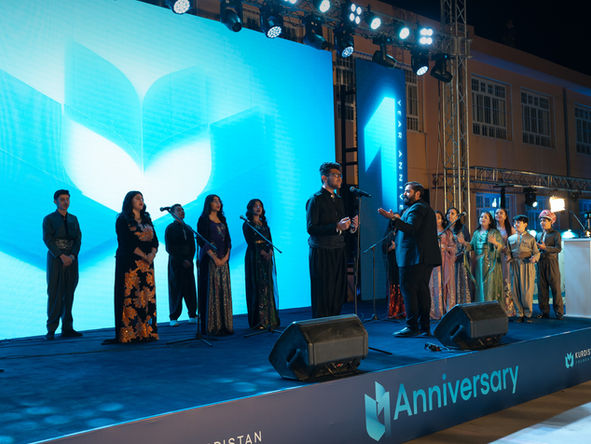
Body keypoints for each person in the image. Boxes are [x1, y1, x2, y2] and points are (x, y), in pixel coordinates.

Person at [378, 181, 441, 337]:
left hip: (414, 258)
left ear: (417, 194)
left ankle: (412, 327)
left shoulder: (417, 208)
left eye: (408, 191)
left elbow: (411, 228)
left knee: (410, 291)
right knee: (421, 291)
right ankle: (423, 327)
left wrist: (393, 219)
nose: (404, 194)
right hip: (420, 258)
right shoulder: (421, 208)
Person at [306, 162, 358, 318]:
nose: (339, 178)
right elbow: (311, 228)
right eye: (335, 175)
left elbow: (342, 226)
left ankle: (335, 321)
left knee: (337, 289)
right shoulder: (315, 199)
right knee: (323, 290)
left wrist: (352, 227)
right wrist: (336, 226)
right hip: (322, 250)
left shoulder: (339, 199)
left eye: (340, 175)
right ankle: (322, 324)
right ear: (324, 178)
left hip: (338, 249)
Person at [113, 191, 159, 343]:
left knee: (146, 296)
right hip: (129, 263)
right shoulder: (122, 220)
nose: (141, 200)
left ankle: (147, 331)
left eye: (142, 198)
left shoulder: (147, 218)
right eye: (137, 198)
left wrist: (152, 254)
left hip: (147, 265)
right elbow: (126, 242)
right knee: (131, 296)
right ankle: (131, 333)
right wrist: (144, 256)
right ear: (129, 201)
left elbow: (155, 240)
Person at [42, 189, 82, 340]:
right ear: (55, 201)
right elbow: (48, 239)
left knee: (69, 292)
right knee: (54, 293)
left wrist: (72, 256)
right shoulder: (49, 219)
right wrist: (61, 256)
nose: (66, 202)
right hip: (56, 259)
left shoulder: (74, 219)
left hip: (71, 258)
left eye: (67, 199)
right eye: (62, 199)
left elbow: (78, 239)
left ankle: (67, 328)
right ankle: (51, 329)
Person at [197, 194, 233, 336]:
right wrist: (214, 258)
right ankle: (213, 325)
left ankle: (225, 324)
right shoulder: (203, 220)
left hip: (223, 259)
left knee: (223, 291)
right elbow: (202, 241)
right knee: (212, 290)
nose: (218, 203)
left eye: (219, 201)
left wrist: (225, 258)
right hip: (210, 260)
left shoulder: (223, 219)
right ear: (208, 204)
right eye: (214, 201)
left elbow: (228, 240)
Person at [243, 199, 280, 330]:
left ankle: (270, 319)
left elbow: (269, 240)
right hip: (255, 258)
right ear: (250, 209)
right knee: (258, 286)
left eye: (260, 206)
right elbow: (251, 242)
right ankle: (259, 321)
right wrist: (262, 252)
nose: (258, 208)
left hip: (267, 258)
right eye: (255, 206)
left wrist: (270, 252)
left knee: (267, 286)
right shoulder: (247, 224)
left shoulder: (264, 224)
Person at [457, 211, 504, 308]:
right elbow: (471, 246)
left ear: (490, 221)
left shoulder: (494, 232)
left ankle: (490, 308)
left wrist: (495, 243)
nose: (483, 218)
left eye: (485, 217)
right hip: (479, 263)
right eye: (481, 217)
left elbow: (501, 247)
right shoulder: (476, 233)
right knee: (479, 285)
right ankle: (481, 307)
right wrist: (464, 242)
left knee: (489, 285)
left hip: (490, 263)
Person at [165, 204, 198, 327]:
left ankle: (192, 315)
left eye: (182, 209)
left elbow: (193, 246)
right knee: (176, 289)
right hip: (176, 263)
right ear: (173, 213)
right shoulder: (170, 228)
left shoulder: (188, 228)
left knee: (190, 288)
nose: (182, 211)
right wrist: (182, 260)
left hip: (188, 262)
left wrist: (189, 259)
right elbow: (169, 248)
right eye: (178, 210)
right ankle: (174, 317)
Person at [506, 215, 540, 322]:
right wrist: (508, 256)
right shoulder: (510, 238)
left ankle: (528, 314)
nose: (516, 224)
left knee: (526, 291)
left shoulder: (531, 238)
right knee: (515, 290)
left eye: (519, 222)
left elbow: (537, 252)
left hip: (527, 265)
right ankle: (519, 314)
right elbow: (508, 251)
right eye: (515, 222)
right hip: (514, 265)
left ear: (525, 224)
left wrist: (534, 258)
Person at [536, 210, 563, 320]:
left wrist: (545, 248)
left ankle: (559, 312)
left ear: (551, 222)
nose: (542, 223)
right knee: (542, 288)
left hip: (551, 263)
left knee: (555, 288)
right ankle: (544, 312)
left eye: (545, 221)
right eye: (541, 221)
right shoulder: (538, 234)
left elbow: (558, 248)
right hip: (540, 262)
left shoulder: (556, 234)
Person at [429, 211, 456, 319]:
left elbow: (453, 247)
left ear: (442, 220)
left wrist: (446, 248)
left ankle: (448, 310)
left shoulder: (447, 232)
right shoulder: (429, 232)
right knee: (435, 285)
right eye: (434, 218)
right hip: (433, 261)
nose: (437, 220)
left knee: (446, 284)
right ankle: (437, 310)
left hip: (445, 260)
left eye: (439, 218)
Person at [446, 207, 472, 304]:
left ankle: (462, 303)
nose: (450, 215)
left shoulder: (463, 228)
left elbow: (469, 246)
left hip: (460, 259)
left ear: (457, 216)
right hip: (448, 260)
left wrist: (463, 242)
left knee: (461, 282)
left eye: (452, 213)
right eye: (448, 213)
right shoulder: (445, 229)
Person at [495, 208, 516, 316]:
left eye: (501, 213)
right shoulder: (492, 229)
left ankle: (508, 308)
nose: (498, 214)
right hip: (494, 258)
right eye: (496, 213)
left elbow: (515, 245)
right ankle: (497, 308)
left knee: (506, 281)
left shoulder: (510, 229)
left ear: (505, 216)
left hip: (505, 258)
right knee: (496, 281)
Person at [382, 225, 404, 319]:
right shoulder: (389, 233)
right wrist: (391, 247)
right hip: (393, 262)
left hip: (403, 261)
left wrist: (398, 247)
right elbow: (384, 249)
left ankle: (403, 311)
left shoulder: (404, 231)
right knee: (394, 284)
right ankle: (394, 310)